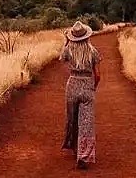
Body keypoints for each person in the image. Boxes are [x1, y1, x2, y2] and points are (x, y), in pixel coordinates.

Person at [59, 20, 101, 170]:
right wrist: (92, 88)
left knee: (72, 118)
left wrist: (66, 41)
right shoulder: (93, 51)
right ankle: (83, 156)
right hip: (87, 87)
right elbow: (97, 76)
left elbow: (61, 58)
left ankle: (74, 147)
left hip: (72, 86)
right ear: (86, 36)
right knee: (86, 123)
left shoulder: (68, 49)